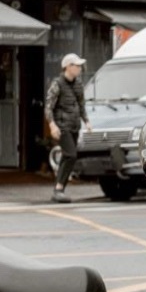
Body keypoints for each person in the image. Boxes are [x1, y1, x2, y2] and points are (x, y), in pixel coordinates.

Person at [45, 53, 91, 203]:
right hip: (62, 127)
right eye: (77, 66)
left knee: (67, 156)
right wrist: (52, 125)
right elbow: (48, 107)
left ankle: (59, 190)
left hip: (74, 126)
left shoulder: (78, 84)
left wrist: (86, 121)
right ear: (68, 67)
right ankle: (59, 189)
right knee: (71, 155)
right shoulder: (57, 84)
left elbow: (81, 104)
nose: (79, 68)